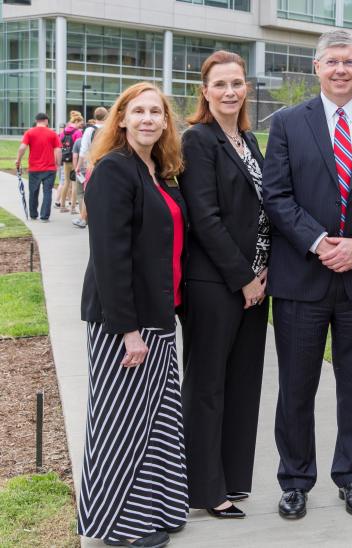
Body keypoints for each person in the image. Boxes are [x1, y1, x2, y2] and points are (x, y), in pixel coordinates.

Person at [262, 29, 352, 520]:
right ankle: (296, 479)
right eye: (332, 62)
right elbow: (276, 196)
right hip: (302, 277)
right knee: (296, 386)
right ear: (316, 67)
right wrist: (321, 242)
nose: (341, 69)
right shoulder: (285, 124)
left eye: (349, 62)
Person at [78, 82, 188, 547]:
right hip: (125, 325)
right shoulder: (113, 172)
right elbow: (109, 257)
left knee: (157, 421)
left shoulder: (157, 171)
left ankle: (157, 508)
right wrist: (128, 331)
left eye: (156, 112)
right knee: (120, 423)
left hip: (159, 316)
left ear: (166, 122)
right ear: (119, 119)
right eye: (137, 111)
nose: (147, 119)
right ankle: (120, 525)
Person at [179, 50, 269, 520]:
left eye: (237, 83)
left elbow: (261, 212)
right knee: (208, 386)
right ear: (205, 91)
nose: (230, 91)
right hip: (215, 284)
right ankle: (205, 488)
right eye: (221, 84)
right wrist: (242, 279)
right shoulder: (198, 140)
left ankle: (234, 477)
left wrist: (264, 271)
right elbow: (205, 218)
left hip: (256, 284)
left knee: (243, 384)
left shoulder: (249, 140)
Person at [15, 112, 61, 222]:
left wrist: (18, 160)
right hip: (49, 168)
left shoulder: (29, 133)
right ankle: (45, 216)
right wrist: (58, 164)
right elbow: (58, 150)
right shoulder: (52, 133)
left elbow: (22, 148)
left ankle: (33, 214)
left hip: (34, 168)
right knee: (47, 192)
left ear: (36, 121)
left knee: (33, 192)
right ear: (46, 121)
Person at [73, 107, 109, 229]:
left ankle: (83, 219)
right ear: (106, 116)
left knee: (88, 191)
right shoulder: (111, 130)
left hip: (93, 164)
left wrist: (78, 166)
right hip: (109, 164)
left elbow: (83, 150)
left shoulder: (89, 130)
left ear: (95, 116)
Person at [56, 111, 83, 213]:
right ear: (76, 121)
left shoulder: (63, 132)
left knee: (66, 182)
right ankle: (72, 208)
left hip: (65, 159)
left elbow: (59, 144)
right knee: (75, 183)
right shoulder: (77, 133)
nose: (82, 125)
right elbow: (79, 147)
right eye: (81, 122)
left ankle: (62, 206)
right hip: (74, 160)